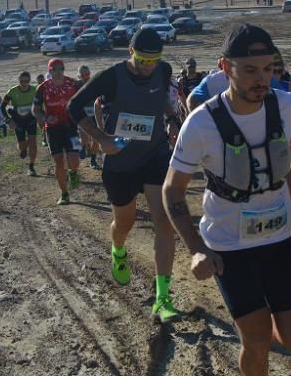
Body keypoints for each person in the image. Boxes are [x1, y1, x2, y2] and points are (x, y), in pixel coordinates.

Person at [163, 24, 291, 375]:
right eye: (250, 70)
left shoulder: (285, 106)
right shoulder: (201, 124)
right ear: (225, 68)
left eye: (269, 69)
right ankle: (255, 336)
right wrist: (196, 248)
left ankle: (259, 330)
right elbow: (172, 190)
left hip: (278, 239)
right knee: (257, 340)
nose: (261, 79)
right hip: (228, 247)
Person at [69, 28, 182, 322]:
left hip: (155, 155)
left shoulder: (163, 71)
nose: (148, 66)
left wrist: (171, 119)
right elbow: (73, 107)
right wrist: (101, 137)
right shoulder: (112, 76)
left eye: (153, 60)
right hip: (120, 162)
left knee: (164, 221)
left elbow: (165, 103)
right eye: (142, 59)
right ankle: (118, 249)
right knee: (125, 221)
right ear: (130, 52)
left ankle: (163, 298)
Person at [32, 58, 81, 205]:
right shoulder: (42, 88)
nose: (58, 72)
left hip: (71, 127)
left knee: (75, 161)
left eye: (61, 69)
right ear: (50, 71)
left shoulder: (73, 84)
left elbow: (82, 101)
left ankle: (73, 173)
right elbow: (35, 109)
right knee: (59, 162)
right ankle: (64, 194)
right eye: (55, 69)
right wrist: (45, 117)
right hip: (53, 129)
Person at [3, 71, 39, 176]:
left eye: (26, 81)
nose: (24, 83)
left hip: (31, 121)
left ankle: (31, 167)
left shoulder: (34, 90)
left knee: (33, 143)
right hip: (18, 122)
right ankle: (24, 148)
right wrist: (8, 120)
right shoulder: (12, 92)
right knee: (22, 147)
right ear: (18, 80)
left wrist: (41, 116)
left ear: (29, 80)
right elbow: (2, 107)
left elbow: (41, 103)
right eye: (21, 81)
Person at [74, 65, 101, 169]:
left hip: (94, 114)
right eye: (83, 75)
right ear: (79, 76)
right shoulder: (76, 85)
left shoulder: (94, 83)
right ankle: (83, 146)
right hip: (82, 116)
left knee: (95, 140)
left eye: (87, 74)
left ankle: (93, 160)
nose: (85, 77)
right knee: (84, 138)